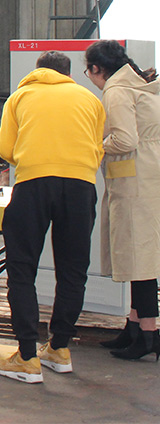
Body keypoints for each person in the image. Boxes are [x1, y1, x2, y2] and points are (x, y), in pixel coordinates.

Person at [0, 51, 105, 384]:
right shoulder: (90, 99)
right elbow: (98, 146)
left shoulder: (20, 97)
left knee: (22, 268)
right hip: (81, 186)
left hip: (33, 184)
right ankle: (59, 348)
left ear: (38, 71)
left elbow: (6, 149)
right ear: (68, 74)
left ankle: (27, 356)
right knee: (73, 270)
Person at [84, 40, 160, 361]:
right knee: (140, 256)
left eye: (88, 72)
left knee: (139, 260)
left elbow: (125, 139)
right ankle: (133, 326)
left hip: (133, 183)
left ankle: (149, 334)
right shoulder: (141, 84)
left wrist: (94, 144)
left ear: (97, 69)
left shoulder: (116, 91)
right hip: (147, 177)